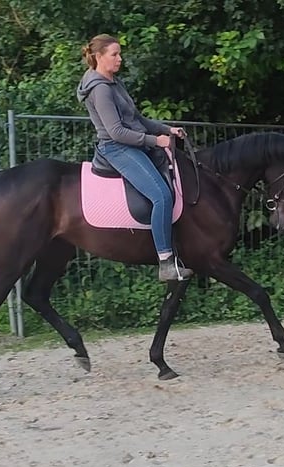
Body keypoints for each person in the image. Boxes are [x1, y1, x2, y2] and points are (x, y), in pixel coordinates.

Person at [77, 34, 194, 282]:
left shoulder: (113, 82)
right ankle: (165, 263)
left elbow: (137, 119)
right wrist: (155, 141)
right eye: (114, 54)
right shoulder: (100, 90)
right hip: (117, 148)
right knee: (161, 195)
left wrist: (166, 129)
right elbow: (116, 132)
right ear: (99, 57)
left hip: (132, 143)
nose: (120, 59)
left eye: (120, 54)